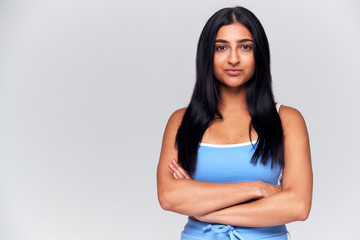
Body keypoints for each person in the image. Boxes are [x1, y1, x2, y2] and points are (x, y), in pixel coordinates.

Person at [157, 6, 312, 240]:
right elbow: (169, 196)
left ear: (258, 53)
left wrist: (205, 210)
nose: (233, 58)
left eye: (245, 47)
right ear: (206, 55)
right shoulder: (181, 121)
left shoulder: (287, 120)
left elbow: (298, 206)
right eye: (221, 47)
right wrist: (256, 188)